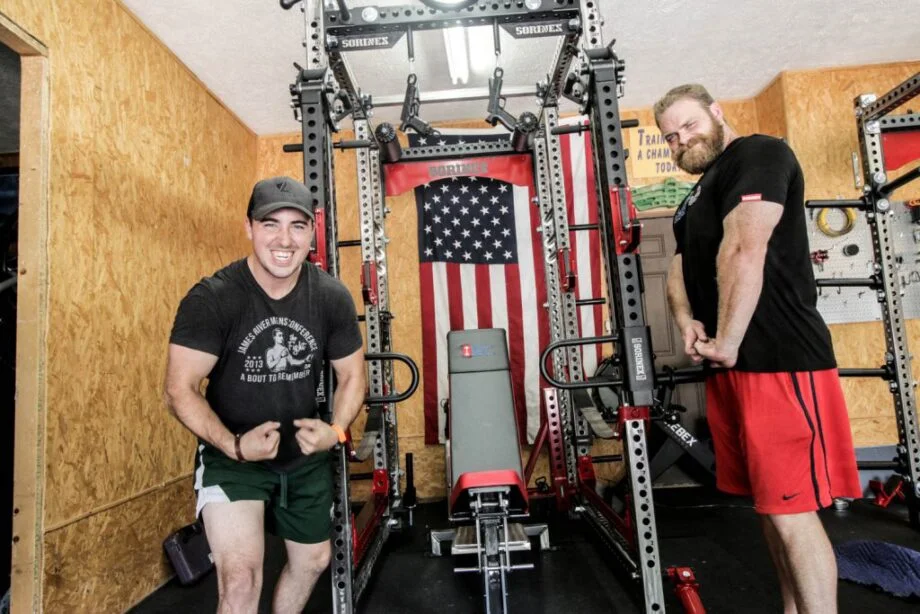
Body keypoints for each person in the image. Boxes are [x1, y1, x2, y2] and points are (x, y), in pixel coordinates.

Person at [655, 84, 861, 614]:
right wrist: (687, 323)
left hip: (780, 362)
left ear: (716, 113)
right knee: (769, 507)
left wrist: (728, 339)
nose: (682, 140)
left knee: (793, 512)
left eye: (690, 126)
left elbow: (746, 245)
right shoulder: (693, 199)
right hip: (731, 368)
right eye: (671, 137)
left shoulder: (760, 153)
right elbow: (678, 268)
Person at [164, 176, 366, 614]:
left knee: (313, 561)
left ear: (312, 233)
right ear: (248, 228)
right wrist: (234, 446)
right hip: (232, 456)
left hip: (304, 455)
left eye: (297, 226)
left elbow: (353, 376)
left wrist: (336, 430)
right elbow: (180, 390)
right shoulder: (213, 298)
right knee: (240, 579)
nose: (284, 239)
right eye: (270, 223)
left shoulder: (330, 297)